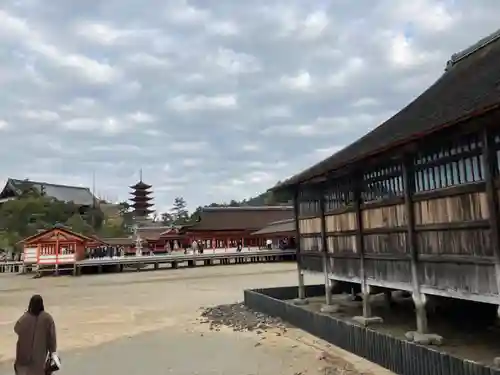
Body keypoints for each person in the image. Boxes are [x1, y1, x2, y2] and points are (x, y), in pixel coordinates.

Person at [14, 295, 57, 375]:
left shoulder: (25, 318)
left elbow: (16, 329)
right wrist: (52, 353)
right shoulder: (48, 318)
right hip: (39, 358)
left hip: (23, 358)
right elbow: (52, 339)